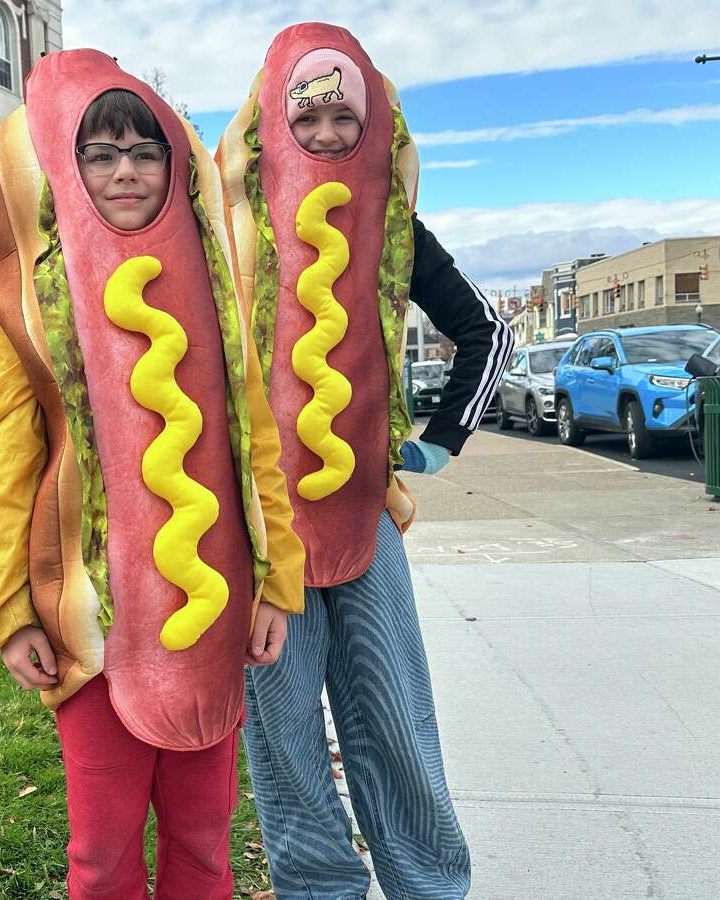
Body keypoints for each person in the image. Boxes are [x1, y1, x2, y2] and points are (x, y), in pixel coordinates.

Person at [0, 48, 305, 900]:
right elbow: (2, 454)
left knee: (203, 844)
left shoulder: (217, 289)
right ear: (69, 168)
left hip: (210, 618)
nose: (125, 171)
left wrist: (276, 585)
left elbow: (256, 440)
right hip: (94, 626)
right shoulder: (35, 308)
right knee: (101, 853)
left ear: (174, 164)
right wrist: (8, 609)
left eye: (144, 151)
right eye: (100, 153)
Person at [217, 22, 513, 900]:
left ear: (375, 122)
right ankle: (319, 890)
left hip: (363, 521)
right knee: (284, 738)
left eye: (346, 117)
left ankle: (430, 887)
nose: (327, 135)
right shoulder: (234, 226)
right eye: (307, 118)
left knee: (393, 719)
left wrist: (436, 446)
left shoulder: (392, 225)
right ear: (273, 123)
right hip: (263, 532)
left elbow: (485, 330)